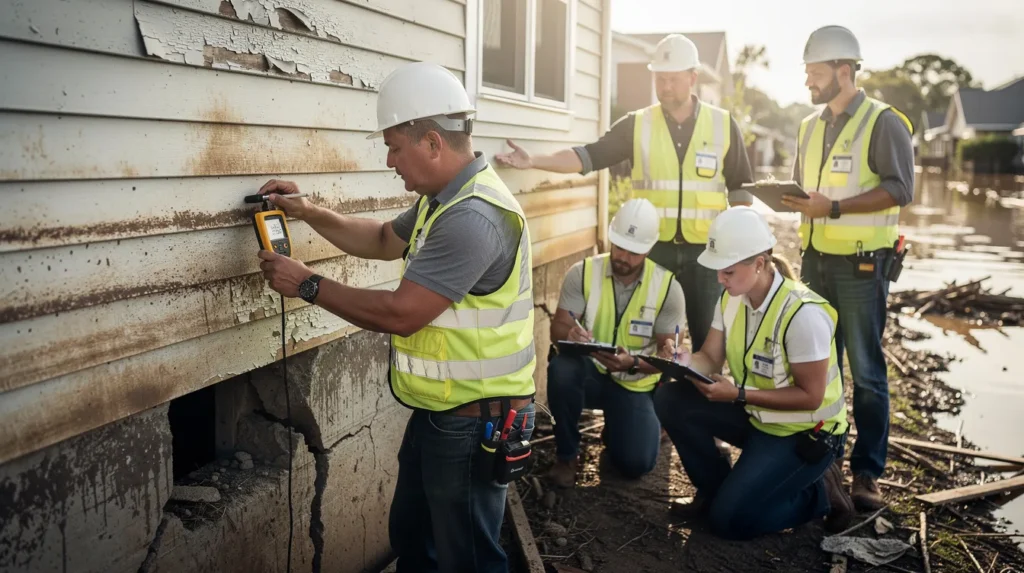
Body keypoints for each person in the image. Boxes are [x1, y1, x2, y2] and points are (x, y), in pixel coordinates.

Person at [257, 61, 535, 573]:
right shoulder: (443, 201)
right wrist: (309, 212)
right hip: (443, 411)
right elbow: (384, 240)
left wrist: (307, 284)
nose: (389, 161)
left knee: (468, 561)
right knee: (415, 539)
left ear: (432, 142)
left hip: (474, 422)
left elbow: (402, 313)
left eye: (394, 147)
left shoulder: (473, 216)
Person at [495, 33, 755, 354]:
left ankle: (703, 387)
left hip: (706, 254)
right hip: (650, 249)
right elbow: (588, 156)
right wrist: (534, 160)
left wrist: (740, 250)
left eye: (673, 79)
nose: (665, 87)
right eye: (660, 79)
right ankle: (647, 385)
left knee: (708, 339)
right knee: (652, 338)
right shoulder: (638, 124)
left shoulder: (722, 124)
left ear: (693, 77)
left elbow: (741, 190)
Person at [653, 207, 856, 540]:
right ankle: (716, 492)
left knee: (729, 523)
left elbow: (811, 397)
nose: (720, 279)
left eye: (728, 271)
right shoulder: (732, 299)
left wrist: (738, 394)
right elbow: (710, 358)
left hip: (805, 435)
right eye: (719, 271)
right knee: (671, 398)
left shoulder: (803, 315)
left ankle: (822, 494)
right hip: (758, 417)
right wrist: (685, 360)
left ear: (759, 263)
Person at [780, 25, 915, 511]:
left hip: (862, 266)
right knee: (820, 365)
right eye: (807, 73)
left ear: (844, 70)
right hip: (815, 262)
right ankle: (827, 463)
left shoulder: (884, 122)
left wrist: (833, 209)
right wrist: (784, 196)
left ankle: (867, 473)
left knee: (867, 371)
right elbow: (805, 188)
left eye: (815, 73)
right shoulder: (808, 126)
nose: (808, 82)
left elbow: (900, 189)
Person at [545, 198, 686, 487]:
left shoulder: (668, 288)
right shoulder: (582, 272)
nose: (623, 257)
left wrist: (633, 363)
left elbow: (669, 356)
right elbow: (558, 326)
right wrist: (569, 334)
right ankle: (567, 456)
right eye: (619, 246)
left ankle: (622, 427)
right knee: (561, 368)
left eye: (633, 252)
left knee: (636, 464)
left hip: (634, 382)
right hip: (590, 374)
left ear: (649, 248)